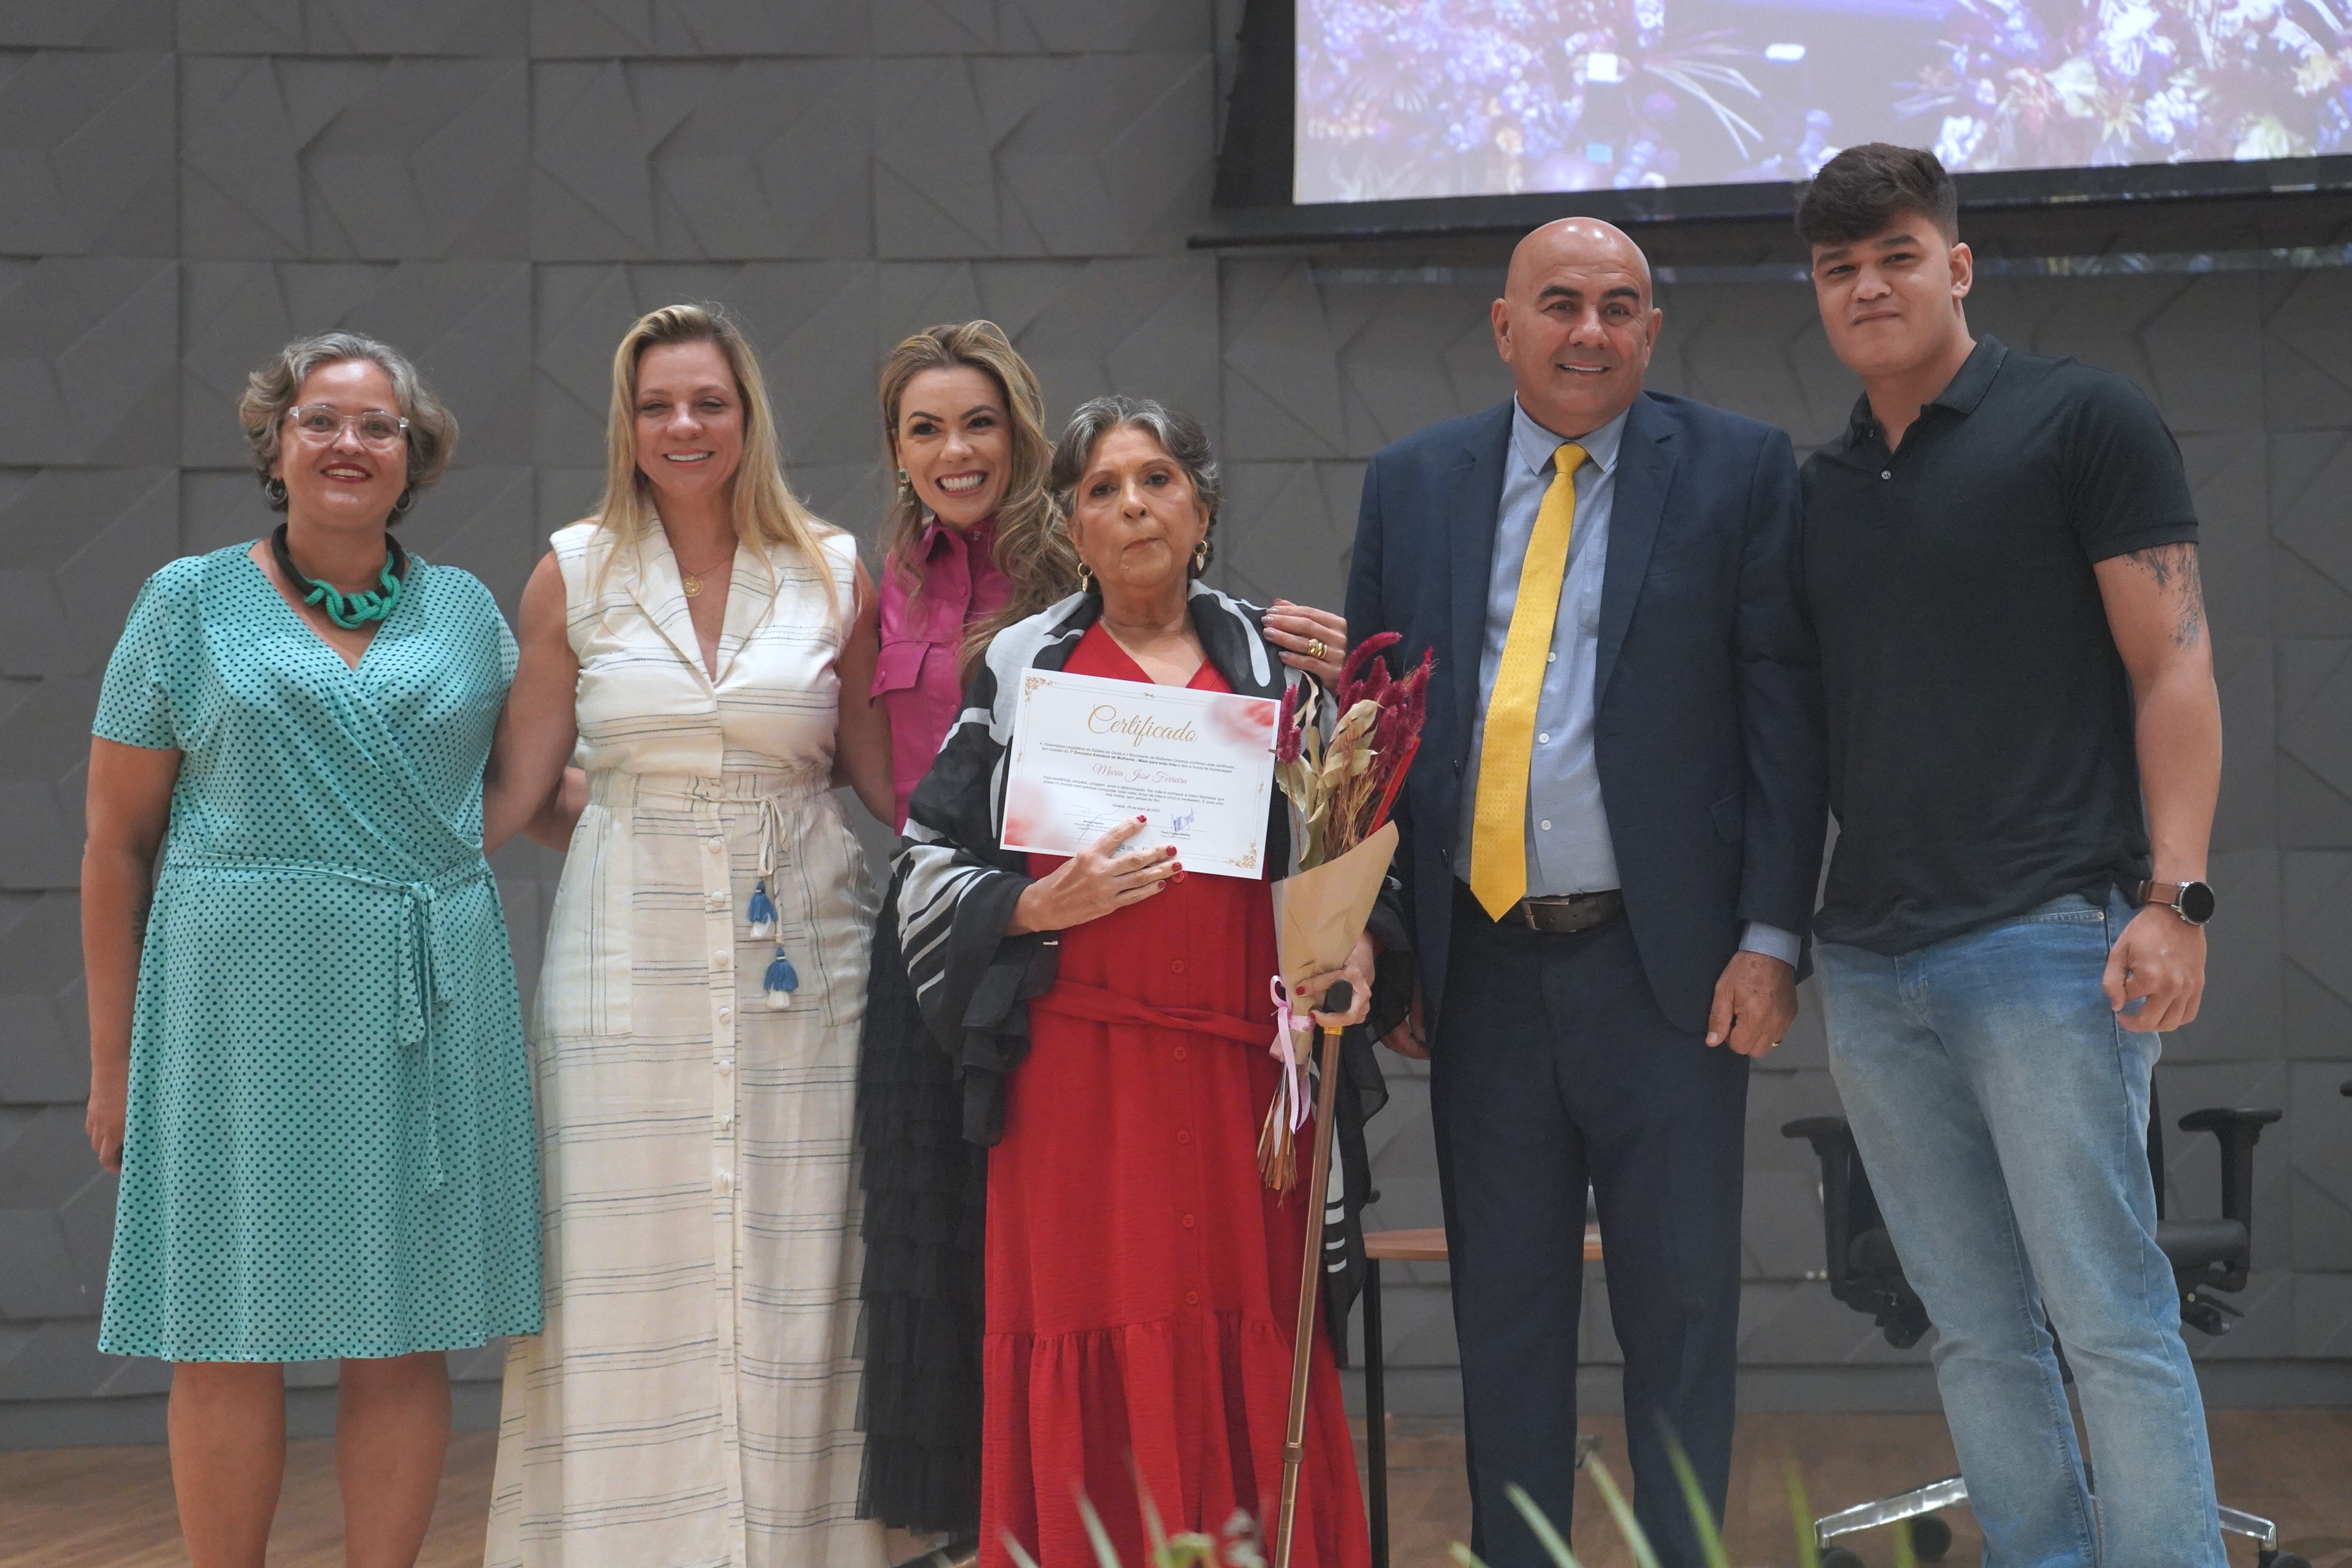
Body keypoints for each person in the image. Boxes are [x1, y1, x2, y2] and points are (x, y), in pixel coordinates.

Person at [1342, 218, 1828, 1568]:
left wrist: (1771, 936)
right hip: (1482, 969)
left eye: (1621, 306)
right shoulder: (1412, 481)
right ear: (1505, 326)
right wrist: (1395, 941)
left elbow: (1784, 719)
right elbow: (1375, 739)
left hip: (1669, 972)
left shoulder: (1738, 469)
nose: (1590, 330)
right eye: (1559, 303)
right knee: (1505, 1318)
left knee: (1681, 1315)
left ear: (1652, 331)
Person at [1795, 145, 2227, 1567]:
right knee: (1975, 1329)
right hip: (1872, 966)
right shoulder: (1820, 490)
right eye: (1839, 268)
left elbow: (2173, 668)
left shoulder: (2081, 420)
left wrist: (2175, 899)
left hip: (2049, 941)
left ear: (1958, 264)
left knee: (2108, 1317)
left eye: (1896, 256)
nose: (1868, 286)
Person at [853, 324, 1350, 1546]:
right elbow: (925, 860)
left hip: (1240, 1074)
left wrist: (1352, 944)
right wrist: (1029, 905)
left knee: (1243, 1318)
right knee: (1089, 1318)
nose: (1132, 506)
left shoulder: (1280, 675)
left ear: (1201, 509)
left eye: (1157, 480)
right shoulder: (1023, 668)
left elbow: (1347, 858)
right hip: (1075, 1077)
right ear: (1069, 525)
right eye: (1103, 489)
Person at [81, 331, 542, 1568]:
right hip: (233, 1006)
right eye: (321, 420)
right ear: (276, 446)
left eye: (377, 425)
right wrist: (114, 1064)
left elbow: (530, 786)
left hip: (421, 1000)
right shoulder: (185, 602)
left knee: (403, 1326)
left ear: (413, 454)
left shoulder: (466, 612)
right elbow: (116, 844)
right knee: (224, 1325)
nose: (349, 442)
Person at [481, 302, 895, 1568]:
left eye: (708, 401)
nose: (683, 425)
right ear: (626, 423)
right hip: (625, 958)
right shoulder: (573, 570)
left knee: (803, 1251)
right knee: (624, 1257)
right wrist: (640, 838)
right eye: (656, 404)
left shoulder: (833, 568)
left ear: (748, 414)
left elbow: (890, 781)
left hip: (806, 956)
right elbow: (517, 790)